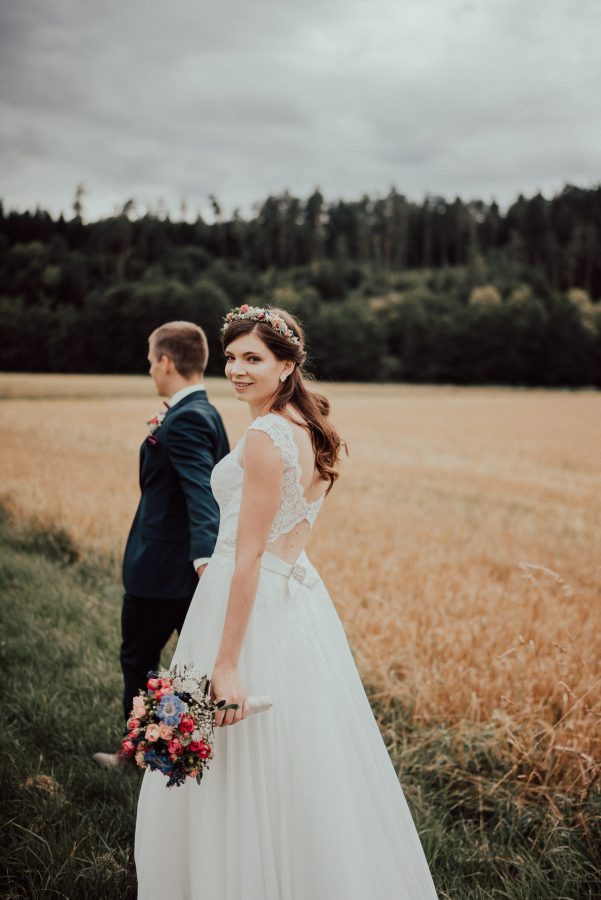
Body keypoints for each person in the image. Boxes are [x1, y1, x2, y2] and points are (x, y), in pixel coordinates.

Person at [135, 306, 439, 898]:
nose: (237, 370)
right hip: (293, 596)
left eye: (254, 359)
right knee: (300, 752)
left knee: (240, 746)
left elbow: (247, 555)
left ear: (287, 365)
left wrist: (226, 664)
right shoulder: (307, 423)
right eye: (231, 357)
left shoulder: (267, 437)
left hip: (247, 597)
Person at [93, 321, 229, 769]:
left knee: (140, 663)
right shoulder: (206, 411)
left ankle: (138, 757)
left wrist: (207, 562)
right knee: (186, 670)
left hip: (162, 572)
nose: (150, 368)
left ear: (166, 362)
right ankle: (173, 754)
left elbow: (201, 493)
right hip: (178, 572)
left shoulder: (186, 418)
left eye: (152, 360)